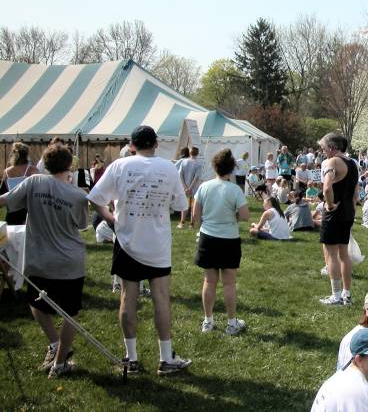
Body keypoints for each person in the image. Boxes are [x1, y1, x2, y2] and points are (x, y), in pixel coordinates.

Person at [87, 125, 192, 376]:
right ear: (155, 143)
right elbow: (180, 205)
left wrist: (112, 218)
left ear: (132, 145)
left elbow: (94, 198)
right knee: (161, 299)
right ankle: (165, 358)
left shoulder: (119, 166)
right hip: (156, 244)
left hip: (127, 242)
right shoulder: (169, 167)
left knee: (128, 298)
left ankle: (131, 358)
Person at [0, 143, 88, 378]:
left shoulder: (34, 182)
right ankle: (59, 358)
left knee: (36, 303)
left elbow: (6, 200)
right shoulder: (77, 195)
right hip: (69, 262)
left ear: (45, 165)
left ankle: (55, 346)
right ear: (69, 165)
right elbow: (82, 225)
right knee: (70, 312)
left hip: (39, 259)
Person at [191, 148, 250, 336]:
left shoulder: (204, 187)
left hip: (208, 237)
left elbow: (195, 216)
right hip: (229, 239)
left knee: (209, 281)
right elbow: (245, 216)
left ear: (214, 166)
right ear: (231, 169)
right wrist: (230, 216)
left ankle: (208, 321)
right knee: (229, 284)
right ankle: (232, 323)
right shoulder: (235, 190)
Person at [318, 133, 359, 305]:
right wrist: (352, 209)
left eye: (324, 148)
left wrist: (328, 205)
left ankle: (335, 296)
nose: (323, 152)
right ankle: (346, 295)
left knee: (332, 255)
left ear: (332, 148)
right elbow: (356, 193)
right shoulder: (353, 164)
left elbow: (327, 188)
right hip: (348, 211)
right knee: (344, 255)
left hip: (335, 212)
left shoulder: (332, 162)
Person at [1, 142, 39, 226]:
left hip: (11, 213)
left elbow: (3, 193)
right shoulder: (33, 170)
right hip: (28, 214)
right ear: (27, 155)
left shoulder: (7, 171)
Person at [177, 146, 202, 229]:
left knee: (185, 205)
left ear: (190, 153)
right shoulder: (198, 164)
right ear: (197, 154)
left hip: (185, 187)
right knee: (193, 206)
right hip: (194, 188)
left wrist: (185, 187)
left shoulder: (184, 162)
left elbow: (180, 174)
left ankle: (182, 223)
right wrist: (190, 187)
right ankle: (191, 224)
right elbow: (196, 177)